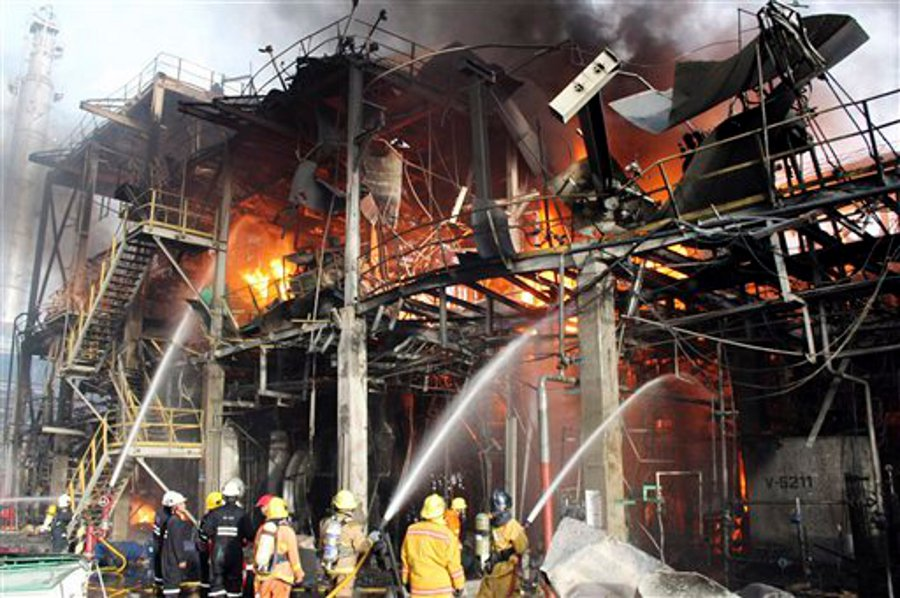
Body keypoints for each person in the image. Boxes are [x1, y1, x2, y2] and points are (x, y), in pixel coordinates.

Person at [401, 494, 465, 598]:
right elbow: (453, 564)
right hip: (441, 591)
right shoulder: (446, 534)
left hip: (418, 589)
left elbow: (405, 559)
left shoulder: (411, 531)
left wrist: (405, 579)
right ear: (442, 511)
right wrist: (459, 585)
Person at [319, 489, 371, 597]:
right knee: (343, 595)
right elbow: (362, 547)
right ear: (352, 508)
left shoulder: (325, 523)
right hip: (345, 571)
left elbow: (321, 544)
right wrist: (371, 540)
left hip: (329, 568)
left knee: (331, 593)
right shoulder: (353, 526)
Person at [476, 489, 528, 598]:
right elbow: (522, 547)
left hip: (494, 570)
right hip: (504, 571)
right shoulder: (512, 526)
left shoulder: (488, 522)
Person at [208, 479, 254, 598]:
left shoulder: (215, 513)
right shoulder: (242, 514)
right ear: (237, 497)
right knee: (234, 587)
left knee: (217, 586)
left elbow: (205, 533)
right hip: (235, 555)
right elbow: (250, 535)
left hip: (217, 555)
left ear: (224, 496)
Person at [253, 497, 303, 598]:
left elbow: (256, 551)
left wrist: (256, 571)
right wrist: (299, 573)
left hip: (263, 576)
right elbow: (293, 555)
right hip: (282, 577)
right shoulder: (287, 531)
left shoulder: (262, 529)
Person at [160, 491, 195, 597]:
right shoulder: (175, 521)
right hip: (172, 561)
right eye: (181, 503)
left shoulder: (169, 520)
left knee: (170, 588)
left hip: (168, 559)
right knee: (172, 589)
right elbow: (177, 542)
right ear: (175, 506)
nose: (184, 505)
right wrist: (181, 559)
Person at [198, 491, 224, 597]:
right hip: (215, 553)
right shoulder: (219, 518)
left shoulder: (205, 518)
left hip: (206, 553)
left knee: (206, 579)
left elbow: (202, 537)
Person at [153, 491, 180, 593]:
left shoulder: (160, 513)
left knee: (158, 565)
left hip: (157, 544)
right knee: (164, 566)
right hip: (162, 547)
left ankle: (159, 585)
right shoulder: (169, 518)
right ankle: (163, 587)